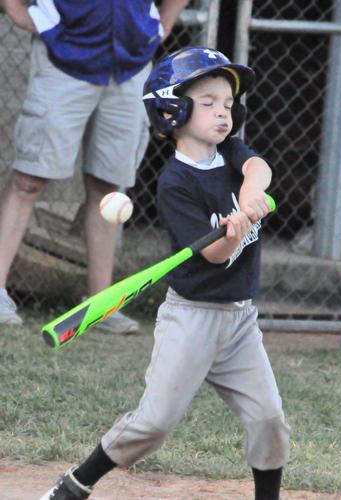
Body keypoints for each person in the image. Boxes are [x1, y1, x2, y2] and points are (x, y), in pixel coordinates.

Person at [39, 47, 291, 500]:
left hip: (239, 321)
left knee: (269, 419)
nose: (222, 113)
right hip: (191, 320)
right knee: (152, 426)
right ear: (173, 110)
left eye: (228, 105)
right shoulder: (176, 183)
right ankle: (76, 484)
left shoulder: (231, 153)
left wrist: (251, 194)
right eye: (209, 103)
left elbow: (259, 166)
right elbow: (214, 255)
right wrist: (235, 231)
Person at [0, 0, 190, 333]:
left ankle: (100, 306)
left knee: (108, 188)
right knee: (28, 181)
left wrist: (165, 22)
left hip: (130, 63)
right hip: (63, 55)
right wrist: (15, 8)